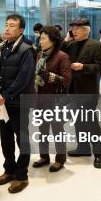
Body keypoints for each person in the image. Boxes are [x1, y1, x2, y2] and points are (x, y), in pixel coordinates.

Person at [0, 14, 36, 193]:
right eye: (6, 25)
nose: (7, 28)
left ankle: (22, 175)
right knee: (5, 139)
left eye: (12, 26)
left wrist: (5, 96)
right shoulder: (1, 48)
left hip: (19, 102)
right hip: (2, 103)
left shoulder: (26, 50)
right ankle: (9, 170)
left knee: (22, 139)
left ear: (21, 30)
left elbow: (23, 78)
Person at [62, 19, 101, 168]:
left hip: (87, 91)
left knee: (91, 123)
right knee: (78, 121)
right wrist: (66, 39)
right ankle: (83, 147)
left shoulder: (96, 45)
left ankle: (99, 153)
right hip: (73, 90)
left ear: (86, 30)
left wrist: (84, 67)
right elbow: (58, 53)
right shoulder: (71, 45)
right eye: (72, 28)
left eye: (77, 28)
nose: (74, 31)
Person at [32, 25, 71, 172]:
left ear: (52, 40)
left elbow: (67, 81)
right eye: (40, 38)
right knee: (42, 129)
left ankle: (60, 159)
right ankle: (44, 156)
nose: (40, 41)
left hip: (55, 101)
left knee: (57, 130)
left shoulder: (62, 56)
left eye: (43, 38)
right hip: (40, 98)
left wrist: (49, 76)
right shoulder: (40, 55)